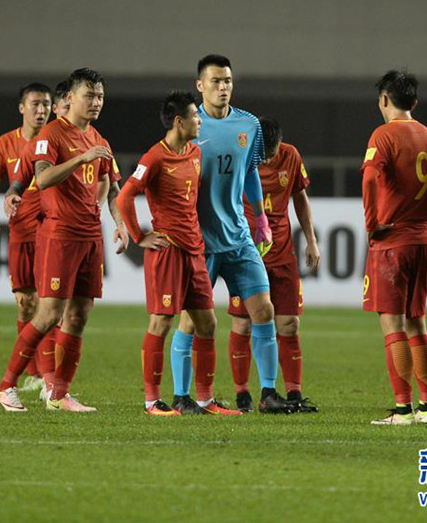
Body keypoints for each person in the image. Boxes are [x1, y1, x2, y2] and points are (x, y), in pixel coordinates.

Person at [0, 67, 128, 412]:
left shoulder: (100, 139)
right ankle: (5, 386)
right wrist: (81, 158)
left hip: (89, 236)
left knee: (80, 315)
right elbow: (44, 177)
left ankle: (59, 394)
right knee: (50, 313)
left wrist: (121, 223)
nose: (96, 102)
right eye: (89, 95)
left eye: (100, 96)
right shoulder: (51, 135)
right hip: (59, 234)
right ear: (70, 98)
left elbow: (112, 189)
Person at [174, 54, 290, 414]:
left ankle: (268, 393)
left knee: (264, 310)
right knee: (192, 320)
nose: (222, 87)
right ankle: (181, 395)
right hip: (201, 241)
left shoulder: (249, 124)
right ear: (199, 86)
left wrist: (260, 218)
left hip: (239, 237)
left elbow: (251, 172)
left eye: (227, 81)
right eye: (215, 81)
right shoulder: (191, 125)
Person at [117, 91, 240, 416]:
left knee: (208, 323)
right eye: (195, 117)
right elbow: (124, 197)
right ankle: (151, 402)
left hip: (195, 251)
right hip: (167, 252)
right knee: (161, 321)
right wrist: (138, 236)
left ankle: (204, 401)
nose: (200, 121)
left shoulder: (196, 153)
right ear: (179, 121)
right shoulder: (154, 157)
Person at [361, 70, 427, 426]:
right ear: (413, 102)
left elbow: (368, 178)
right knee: (417, 322)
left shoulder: (383, 135)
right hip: (421, 240)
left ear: (384, 99)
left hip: (391, 242)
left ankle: (402, 409)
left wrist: (371, 224)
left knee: (392, 324)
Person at [226, 117, 320, 413]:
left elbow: (300, 198)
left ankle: (293, 393)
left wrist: (312, 239)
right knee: (242, 323)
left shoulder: (291, 156)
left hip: (282, 253)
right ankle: (242, 393)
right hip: (245, 251)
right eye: (262, 152)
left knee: (289, 324)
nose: (266, 158)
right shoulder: (239, 155)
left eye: (271, 151)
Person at [0, 83, 52, 394]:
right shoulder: (6, 143)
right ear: (22, 107)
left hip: (52, 232)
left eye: (46, 104)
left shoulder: (56, 138)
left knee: (50, 303)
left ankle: (51, 378)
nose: (42, 110)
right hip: (21, 233)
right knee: (26, 304)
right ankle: (35, 373)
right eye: (36, 104)